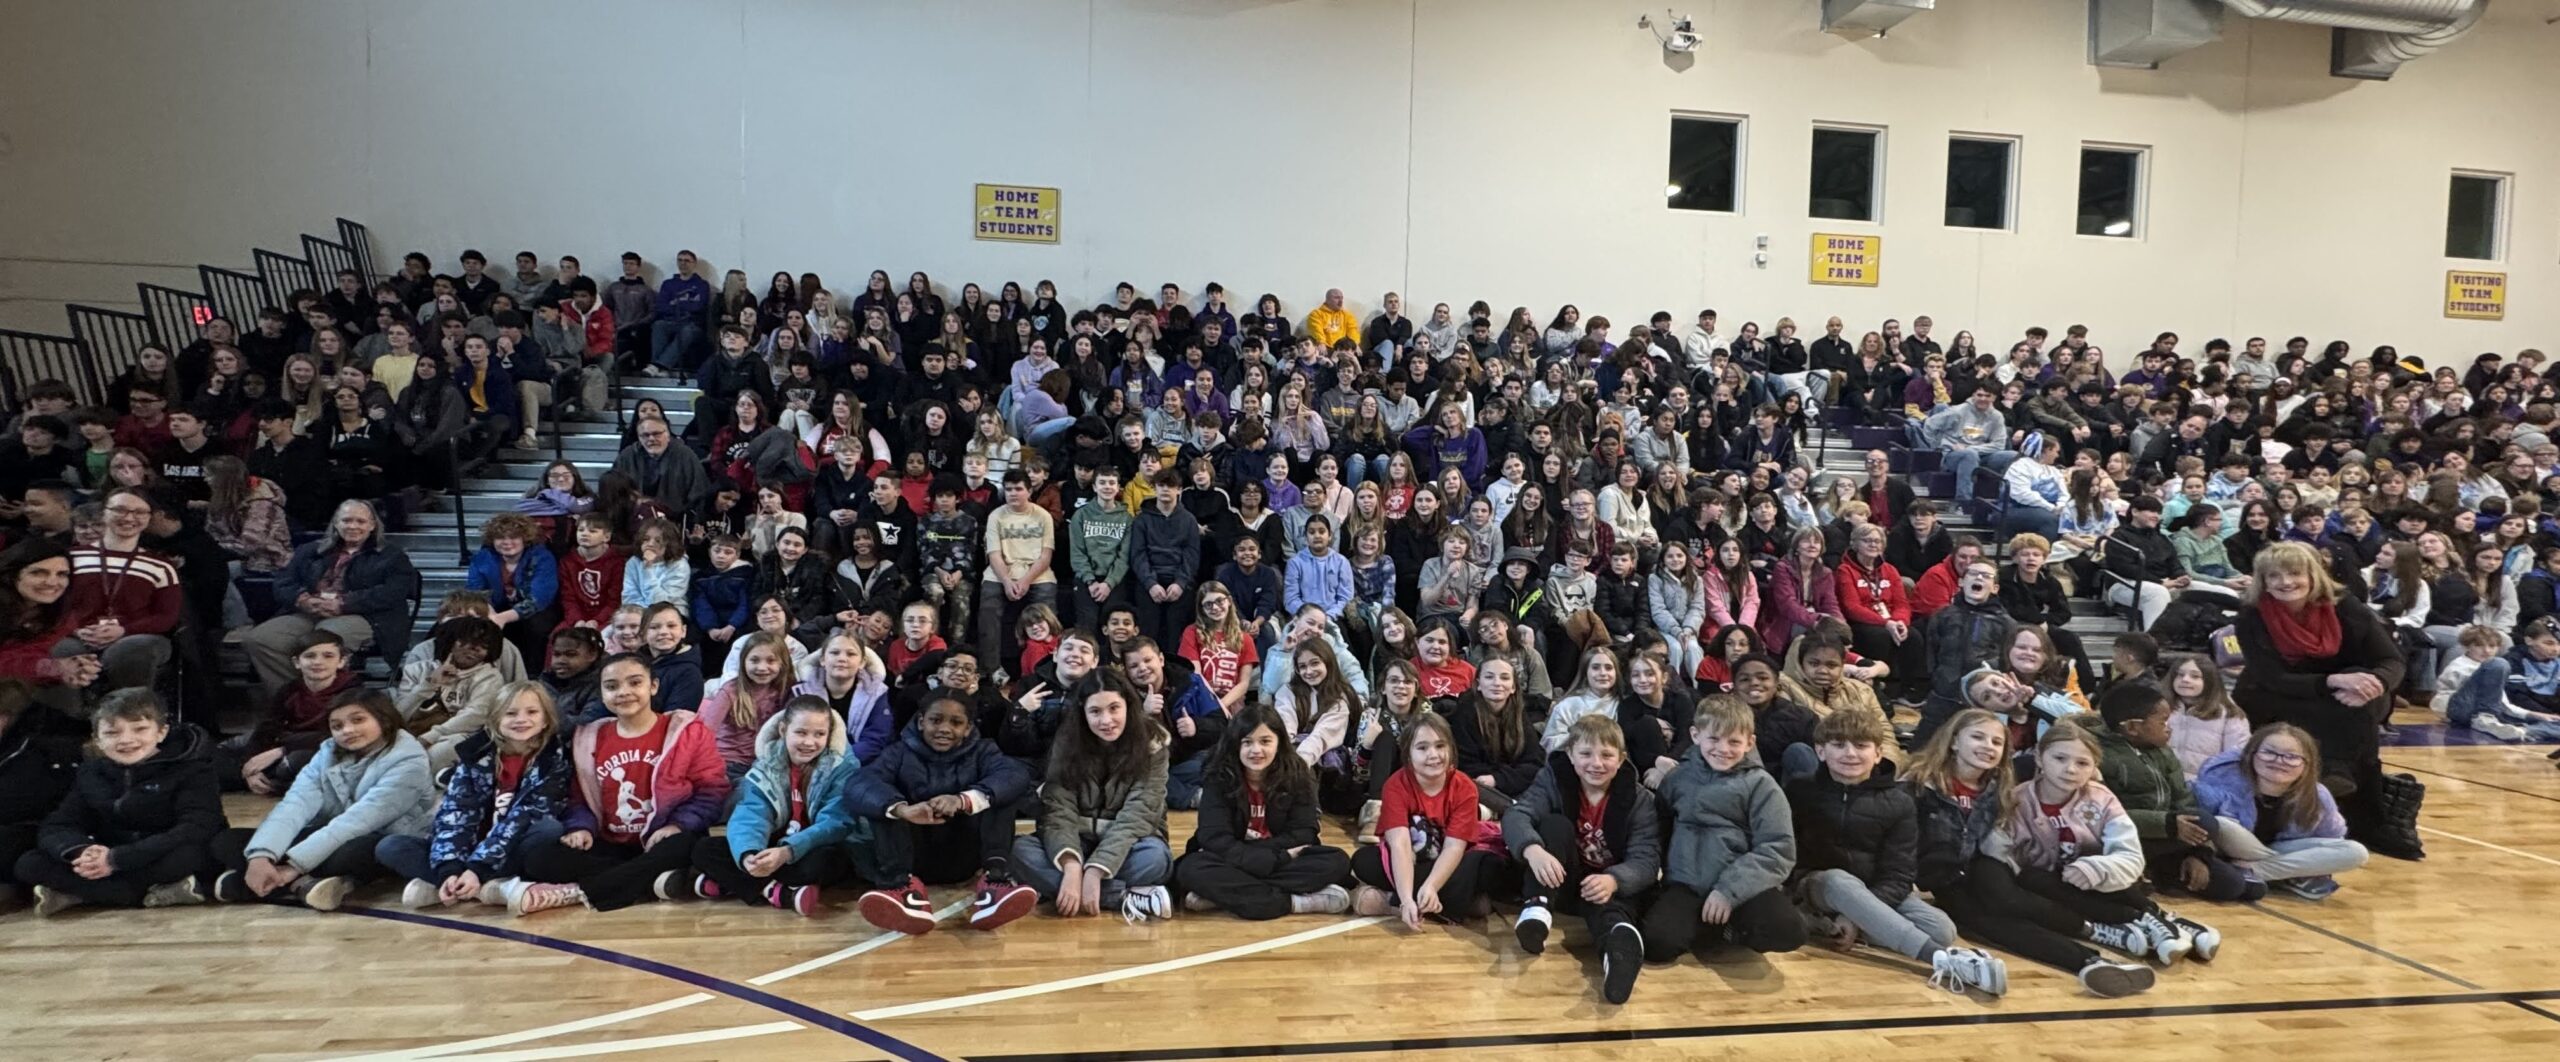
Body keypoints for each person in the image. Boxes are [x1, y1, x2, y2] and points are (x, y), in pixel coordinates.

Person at [1903, 708, 2158, 997]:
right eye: (1977, 737)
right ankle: (2091, 956)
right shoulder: (1918, 784)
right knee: (1982, 919)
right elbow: (1900, 841)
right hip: (1942, 877)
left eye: (1997, 742)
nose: (1987, 746)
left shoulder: (2000, 784)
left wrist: (2087, 770)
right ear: (1953, 741)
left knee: (2008, 898)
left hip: (1982, 863)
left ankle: (2108, 934)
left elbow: (2063, 759)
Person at [1784, 705, 2006, 995]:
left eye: (1861, 746)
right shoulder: (1800, 790)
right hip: (1818, 885)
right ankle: (1941, 959)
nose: (1850, 754)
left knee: (1941, 929)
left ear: (1878, 753)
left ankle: (1828, 927)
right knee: (1839, 879)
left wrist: (1856, 915)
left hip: (1874, 888)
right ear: (1821, 751)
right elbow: (1787, 851)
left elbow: (1899, 874)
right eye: (1839, 745)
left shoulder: (1898, 801)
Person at [2231, 542, 2417, 859]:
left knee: (2357, 698)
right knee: (2345, 714)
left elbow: (2391, 660)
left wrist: (2377, 682)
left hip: (2348, 694)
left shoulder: (2346, 607)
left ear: (2313, 575)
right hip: (2278, 693)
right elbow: (2272, 677)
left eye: (2294, 573)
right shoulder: (2251, 616)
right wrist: (2332, 681)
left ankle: (2347, 795)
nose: (2286, 582)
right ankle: (2354, 801)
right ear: (2263, 581)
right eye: (2274, 576)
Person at [515, 654, 731, 914]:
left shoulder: (687, 732)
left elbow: (711, 791)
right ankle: (650, 881)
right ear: (602, 693)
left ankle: (585, 891)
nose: (623, 692)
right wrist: (581, 827)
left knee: (686, 846)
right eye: (612, 686)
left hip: (665, 839)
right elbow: (578, 797)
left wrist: (677, 824)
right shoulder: (588, 737)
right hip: (612, 844)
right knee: (538, 858)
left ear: (653, 686)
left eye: (635, 682)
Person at [1996, 722, 2218, 966]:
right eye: (2059, 758)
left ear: (2094, 767)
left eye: (2082, 763)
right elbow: (2006, 853)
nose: (2070, 769)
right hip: (2050, 886)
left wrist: (2096, 868)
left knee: (2102, 873)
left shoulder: (2102, 798)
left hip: (2104, 884)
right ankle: (2141, 919)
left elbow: (2130, 855)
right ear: (2039, 757)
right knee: (2032, 879)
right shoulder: (2017, 800)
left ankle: (2162, 920)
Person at [207, 691, 434, 911]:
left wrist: (294, 866)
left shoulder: (409, 759)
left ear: (384, 720)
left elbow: (357, 821)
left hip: (380, 837)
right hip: (328, 835)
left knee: (357, 852)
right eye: (337, 726)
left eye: (358, 720)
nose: (347, 730)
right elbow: (294, 805)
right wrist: (261, 856)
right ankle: (303, 884)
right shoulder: (327, 753)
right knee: (227, 842)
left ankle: (277, 882)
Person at [14, 690, 219, 913]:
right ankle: (134, 893)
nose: (126, 740)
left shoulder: (193, 770)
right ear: (97, 740)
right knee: (29, 863)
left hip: (156, 854)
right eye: (112, 733)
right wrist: (81, 851)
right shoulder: (90, 773)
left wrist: (118, 859)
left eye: (140, 729)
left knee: (192, 855)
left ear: (161, 732)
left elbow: (196, 827)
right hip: (110, 855)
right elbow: (59, 824)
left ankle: (88, 894)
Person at [850, 693, 1040, 934]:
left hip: (966, 855)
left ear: (968, 728)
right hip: (912, 857)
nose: (944, 729)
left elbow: (1015, 776)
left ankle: (995, 883)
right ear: (921, 722)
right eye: (936, 720)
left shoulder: (985, 750)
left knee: (1002, 794)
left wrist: (964, 800)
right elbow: (858, 785)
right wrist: (902, 809)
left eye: (956, 722)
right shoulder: (898, 752)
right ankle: (901, 889)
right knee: (883, 804)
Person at [1640, 694, 1807, 962]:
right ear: (1695, 736)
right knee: (1657, 943)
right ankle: (1710, 925)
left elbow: (1777, 849)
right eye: (1714, 739)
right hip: (1687, 883)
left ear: (1749, 742)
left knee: (1787, 930)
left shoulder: (1762, 785)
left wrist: (1728, 891)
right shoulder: (1677, 779)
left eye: (1734, 742)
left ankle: (1729, 925)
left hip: (1742, 887)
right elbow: (1660, 828)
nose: (1723, 749)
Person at [1503, 714, 1656, 1002]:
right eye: (1586, 754)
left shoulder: (1640, 799)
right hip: (1560, 877)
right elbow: (1516, 815)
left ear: (1621, 759)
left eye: (1606, 755)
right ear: (1571, 755)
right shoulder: (1553, 778)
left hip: (1604, 886)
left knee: (1609, 912)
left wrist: (1614, 880)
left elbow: (1647, 859)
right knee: (1554, 825)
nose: (1596, 764)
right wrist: (1532, 850)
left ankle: (1617, 953)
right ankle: (1536, 909)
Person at [379, 681, 569, 910]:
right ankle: (463, 886)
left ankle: (461, 885)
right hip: (468, 848)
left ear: (546, 719)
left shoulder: (554, 760)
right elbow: (455, 814)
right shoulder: (475, 755)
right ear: (495, 720)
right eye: (510, 713)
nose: (521, 719)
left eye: (532, 712)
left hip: (508, 850)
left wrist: (478, 869)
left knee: (548, 829)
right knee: (390, 846)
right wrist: (449, 869)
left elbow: (523, 818)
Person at [1011, 671, 1176, 920]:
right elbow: (1057, 811)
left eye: (1114, 708)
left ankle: (1063, 890)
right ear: (1083, 713)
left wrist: (1097, 870)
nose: (1106, 720)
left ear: (1128, 706)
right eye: (1095, 712)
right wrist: (1071, 865)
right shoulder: (1068, 742)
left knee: (1155, 858)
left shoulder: (1153, 743)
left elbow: (1139, 814)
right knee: (1020, 850)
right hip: (1077, 840)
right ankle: (1125, 896)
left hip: (1127, 843)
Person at [1173, 703, 1354, 919]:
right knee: (1191, 868)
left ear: (1279, 742)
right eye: (1247, 742)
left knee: (1337, 861)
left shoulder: (1297, 773)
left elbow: (1304, 832)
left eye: (1265, 741)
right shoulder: (1218, 775)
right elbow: (1213, 837)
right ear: (1235, 745)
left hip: (1264, 858)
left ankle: (1224, 895)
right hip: (1245, 856)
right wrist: (1271, 858)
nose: (1256, 750)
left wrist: (1268, 857)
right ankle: (1295, 903)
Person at [681, 697, 857, 916]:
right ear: (783, 730)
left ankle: (732, 882)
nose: (809, 742)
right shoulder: (767, 764)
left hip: (812, 845)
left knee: (820, 864)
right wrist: (749, 854)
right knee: (704, 849)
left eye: (819, 734)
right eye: (801, 733)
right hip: (774, 845)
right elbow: (751, 813)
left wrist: (788, 851)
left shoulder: (843, 767)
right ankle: (778, 892)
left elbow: (834, 824)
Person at [2092, 683, 2254, 903]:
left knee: (2233, 885)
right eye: (2163, 722)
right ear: (2132, 727)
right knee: (2205, 821)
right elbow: (2103, 814)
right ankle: (2137, 872)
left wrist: (2197, 853)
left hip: (2166, 841)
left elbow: (2184, 801)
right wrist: (2167, 823)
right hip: (2120, 838)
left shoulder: (2163, 752)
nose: (2169, 729)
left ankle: (2158, 873)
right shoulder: (2098, 755)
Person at [244, 501, 419, 698]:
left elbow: (392, 592)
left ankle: (332, 700)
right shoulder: (310, 550)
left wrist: (344, 603)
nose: (353, 526)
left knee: (325, 638)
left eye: (360, 521)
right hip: (309, 611)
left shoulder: (392, 556)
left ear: (372, 525)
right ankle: (296, 698)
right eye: (347, 520)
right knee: (261, 639)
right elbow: (284, 583)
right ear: (336, 523)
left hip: (367, 615)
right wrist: (303, 599)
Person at [2189, 724, 2372, 901]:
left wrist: (2317, 863)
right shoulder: (2223, 780)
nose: (2279, 761)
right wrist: (2303, 865)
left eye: (2291, 757)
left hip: (2280, 849)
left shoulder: (2318, 795)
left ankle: (2253, 871)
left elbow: (2332, 838)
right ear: (2251, 755)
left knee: (2355, 851)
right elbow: (2200, 819)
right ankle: (2290, 875)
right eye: (2269, 753)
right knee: (2222, 824)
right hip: (2233, 847)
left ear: (2306, 764)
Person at [1348, 710, 1497, 926]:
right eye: (1422, 748)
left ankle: (1390, 902)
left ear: (1451, 749)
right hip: (1412, 860)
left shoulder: (1465, 786)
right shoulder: (1395, 785)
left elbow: (1454, 847)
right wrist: (1406, 899)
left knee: (1487, 865)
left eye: (1440, 746)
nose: (1433, 755)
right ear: (1408, 754)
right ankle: (1453, 903)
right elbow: (1400, 845)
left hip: (1449, 860)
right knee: (1363, 861)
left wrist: (1432, 886)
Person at [62, 486, 182, 693]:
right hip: (78, 635)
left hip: (137, 638)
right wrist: (75, 629)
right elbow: (54, 605)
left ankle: (130, 709)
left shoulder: (161, 566)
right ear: (104, 513)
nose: (129, 518)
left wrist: (124, 630)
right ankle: (69, 712)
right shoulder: (70, 558)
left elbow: (167, 616)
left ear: (149, 518)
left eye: (139, 512)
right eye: (120, 510)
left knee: (131, 650)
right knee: (63, 650)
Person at [2162, 653, 2248, 779]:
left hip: (2207, 785)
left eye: (2195, 676)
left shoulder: (2230, 715)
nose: (2185, 679)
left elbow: (2235, 759)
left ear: (2209, 681)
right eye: (2180, 675)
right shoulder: (2159, 708)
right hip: (2163, 783)